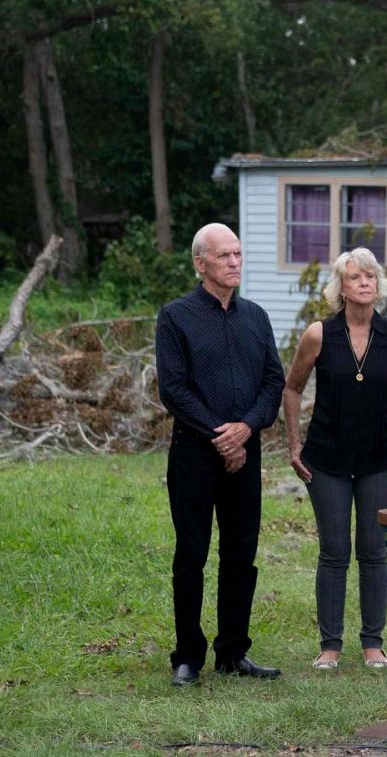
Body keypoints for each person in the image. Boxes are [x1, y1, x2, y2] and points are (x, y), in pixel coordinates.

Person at [155, 222, 285, 686]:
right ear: (201, 263)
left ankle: (233, 651)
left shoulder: (256, 317)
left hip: (245, 457)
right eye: (225, 255)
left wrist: (247, 427)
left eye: (238, 254)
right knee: (191, 554)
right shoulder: (176, 317)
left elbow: (274, 382)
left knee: (240, 554)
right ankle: (187, 655)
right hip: (194, 455)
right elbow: (173, 388)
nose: (235, 262)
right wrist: (220, 434)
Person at [281, 248, 387, 671]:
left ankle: (373, 643)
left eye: (371, 277)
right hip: (326, 459)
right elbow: (292, 389)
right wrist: (294, 445)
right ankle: (331, 645)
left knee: (374, 550)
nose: (365, 283)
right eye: (356, 277)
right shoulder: (319, 334)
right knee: (334, 551)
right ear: (340, 287)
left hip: (379, 456)